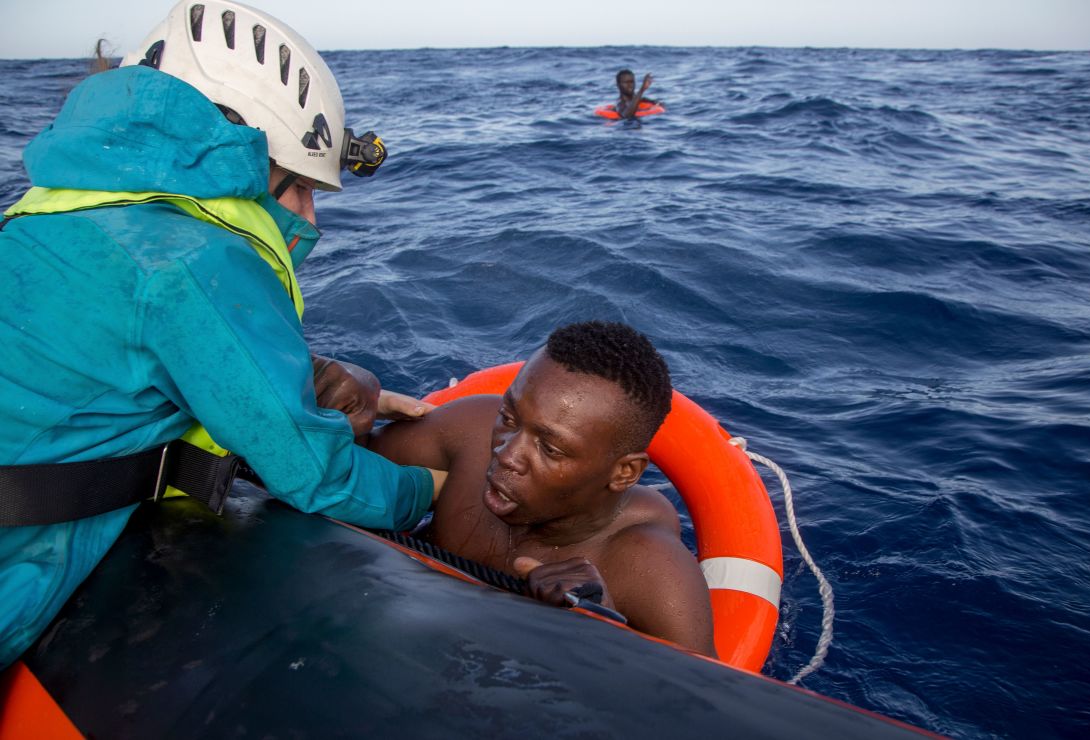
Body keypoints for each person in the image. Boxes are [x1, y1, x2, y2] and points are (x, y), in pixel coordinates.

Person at [0, 0, 444, 669]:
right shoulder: (197, 255)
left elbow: (108, 336)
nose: (311, 217)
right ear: (248, 163)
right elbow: (316, 480)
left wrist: (319, 380)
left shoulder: (54, 208)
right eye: (301, 190)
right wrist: (432, 486)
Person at [365, 322, 716, 656]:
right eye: (509, 418)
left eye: (551, 450)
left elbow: (706, 707)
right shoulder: (469, 430)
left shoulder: (651, 571)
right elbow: (339, 468)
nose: (506, 455)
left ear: (624, 473)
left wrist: (602, 632)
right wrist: (339, 399)